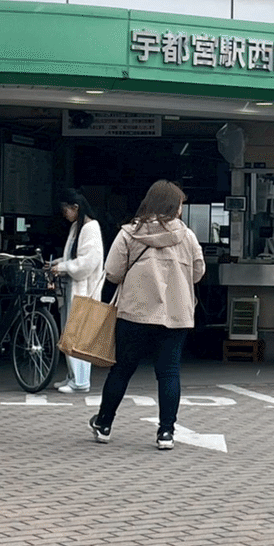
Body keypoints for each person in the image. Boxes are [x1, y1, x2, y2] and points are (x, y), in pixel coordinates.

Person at [89, 179, 204, 450]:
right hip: (175, 314)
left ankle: (104, 424)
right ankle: (166, 433)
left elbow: (113, 272)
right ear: (172, 206)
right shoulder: (187, 236)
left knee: (122, 370)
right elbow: (198, 272)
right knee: (169, 373)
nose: (181, 211)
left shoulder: (129, 233)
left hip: (135, 314)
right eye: (179, 205)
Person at [50, 188, 104, 394]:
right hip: (73, 288)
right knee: (69, 334)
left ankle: (81, 381)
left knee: (79, 336)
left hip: (84, 290)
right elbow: (74, 258)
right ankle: (72, 377)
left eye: (66, 210)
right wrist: (59, 263)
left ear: (76, 207)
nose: (64, 213)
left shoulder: (90, 228)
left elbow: (87, 263)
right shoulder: (77, 227)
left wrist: (63, 267)